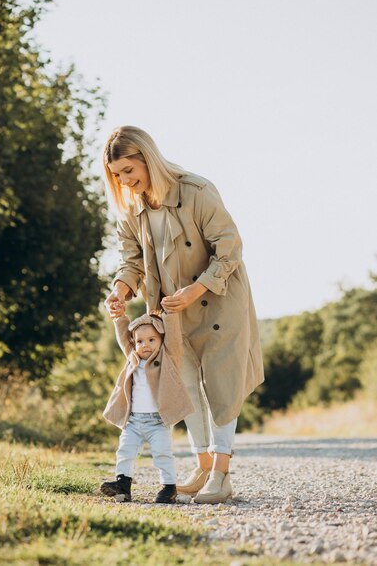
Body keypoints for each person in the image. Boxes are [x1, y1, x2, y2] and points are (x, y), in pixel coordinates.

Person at [103, 125, 264, 505]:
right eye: (118, 175)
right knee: (183, 384)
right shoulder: (132, 209)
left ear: (147, 157)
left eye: (129, 170)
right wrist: (120, 290)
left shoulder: (196, 191)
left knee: (222, 384)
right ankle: (203, 464)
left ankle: (221, 475)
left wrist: (196, 289)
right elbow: (131, 261)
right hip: (170, 311)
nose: (126, 181)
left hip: (218, 299)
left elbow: (230, 248)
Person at [101, 307, 194, 503]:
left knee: (162, 454)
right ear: (134, 344)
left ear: (161, 340)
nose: (146, 345)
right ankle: (123, 486)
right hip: (133, 421)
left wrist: (170, 314)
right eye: (140, 341)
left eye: (152, 340)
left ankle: (169, 488)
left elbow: (174, 339)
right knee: (124, 452)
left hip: (158, 422)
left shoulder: (168, 358)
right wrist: (119, 317)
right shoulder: (132, 358)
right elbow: (123, 338)